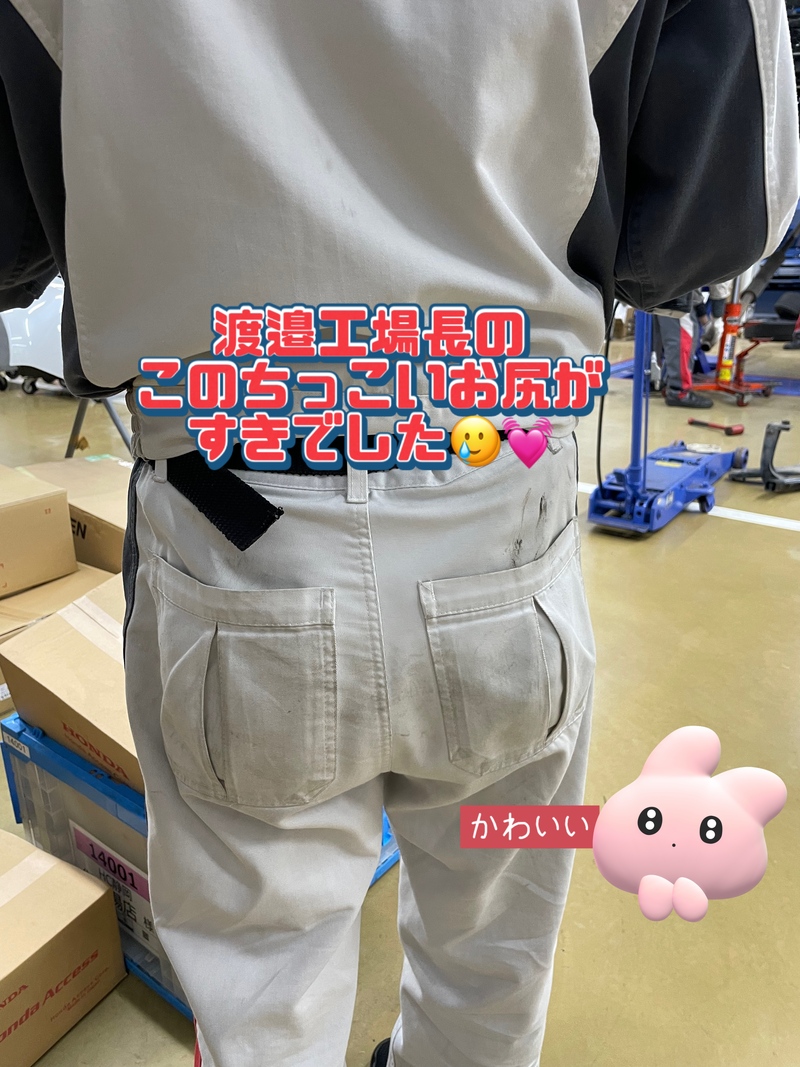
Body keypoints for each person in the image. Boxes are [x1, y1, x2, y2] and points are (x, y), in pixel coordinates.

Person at [1, 2, 797, 1065]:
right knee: (490, 961)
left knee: (262, 995)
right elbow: (720, 222)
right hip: (497, 488)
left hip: (232, 509)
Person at [652, 291, 714, 407]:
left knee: (660, 340)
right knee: (682, 340)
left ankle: (658, 382)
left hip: (659, 293)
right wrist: (702, 312)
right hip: (679, 296)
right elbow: (692, 282)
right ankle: (679, 391)